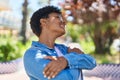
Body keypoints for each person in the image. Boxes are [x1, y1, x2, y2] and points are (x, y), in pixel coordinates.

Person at [24, 6, 96, 80]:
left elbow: (92, 62)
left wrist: (66, 60)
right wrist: (74, 57)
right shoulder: (32, 54)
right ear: (44, 22)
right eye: (58, 17)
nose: (64, 22)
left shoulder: (63, 49)